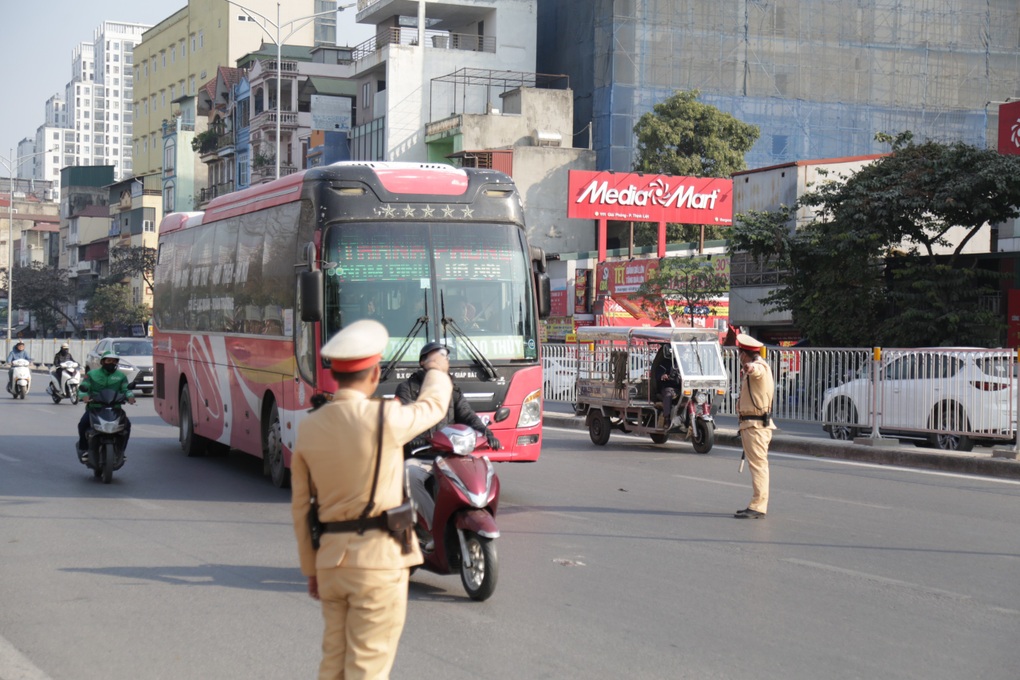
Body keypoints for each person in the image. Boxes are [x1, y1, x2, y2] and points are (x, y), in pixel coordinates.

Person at [290, 319, 452, 680]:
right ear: (375, 373)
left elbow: (301, 508)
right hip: (379, 564)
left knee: (334, 663)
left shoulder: (309, 427)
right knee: (367, 670)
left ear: (335, 377)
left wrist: (312, 568)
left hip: (332, 563)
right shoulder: (385, 417)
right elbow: (434, 406)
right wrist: (436, 370)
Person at [396, 341, 502, 541]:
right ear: (422, 362)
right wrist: (417, 441)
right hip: (421, 456)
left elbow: (468, 416)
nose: (444, 359)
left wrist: (487, 434)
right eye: (438, 355)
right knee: (410, 473)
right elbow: (404, 420)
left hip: (449, 455)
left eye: (445, 355)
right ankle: (434, 529)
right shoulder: (408, 389)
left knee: (482, 469)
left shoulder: (451, 389)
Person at [734, 333, 776, 520]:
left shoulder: (760, 367)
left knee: (759, 466)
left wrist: (750, 367)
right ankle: (757, 503)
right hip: (752, 424)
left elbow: (756, 369)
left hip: (756, 425)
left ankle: (759, 505)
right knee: (757, 465)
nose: (739, 357)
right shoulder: (761, 366)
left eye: (739, 353)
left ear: (744, 355)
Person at [76, 351, 136, 462]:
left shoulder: (121, 376)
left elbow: (126, 389)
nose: (111, 363)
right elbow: (84, 386)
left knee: (127, 426)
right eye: (109, 361)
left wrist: (130, 397)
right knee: (83, 424)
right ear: (103, 362)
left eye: (114, 361)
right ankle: (84, 449)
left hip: (115, 408)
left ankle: (121, 451)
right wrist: (84, 396)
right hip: (95, 407)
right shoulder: (92, 374)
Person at [653, 344, 684, 430]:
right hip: (669, 387)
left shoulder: (682, 363)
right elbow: (658, 374)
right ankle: (667, 419)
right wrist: (663, 376)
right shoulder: (665, 363)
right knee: (668, 394)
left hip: (681, 388)